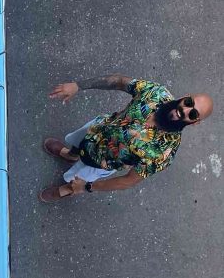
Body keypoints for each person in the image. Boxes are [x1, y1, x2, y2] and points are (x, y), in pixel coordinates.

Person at [39, 75, 214, 203]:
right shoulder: (155, 93)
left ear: (195, 122)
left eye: (193, 113)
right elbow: (119, 81)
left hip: (101, 163)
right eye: (189, 102)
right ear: (185, 97)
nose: (185, 110)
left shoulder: (164, 153)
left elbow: (128, 181)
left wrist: (86, 187)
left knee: (74, 183)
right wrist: (78, 86)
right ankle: (70, 155)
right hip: (97, 129)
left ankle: (66, 190)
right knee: (76, 144)